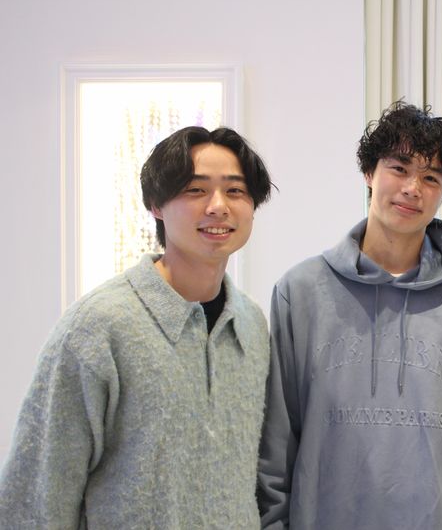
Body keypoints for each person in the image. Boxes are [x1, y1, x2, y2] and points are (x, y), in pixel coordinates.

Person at [0, 126, 275, 528]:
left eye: (235, 191)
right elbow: (37, 498)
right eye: (196, 190)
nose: (218, 206)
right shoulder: (97, 327)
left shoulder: (251, 325)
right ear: (156, 205)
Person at [257, 101, 442, 529]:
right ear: (370, 172)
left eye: (430, 177)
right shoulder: (300, 292)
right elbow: (276, 445)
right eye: (399, 168)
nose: (412, 188)